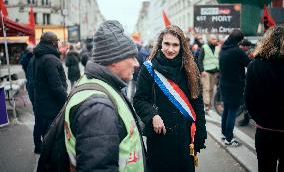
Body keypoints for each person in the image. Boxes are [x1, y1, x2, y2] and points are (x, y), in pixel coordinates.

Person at [64, 20, 146, 171]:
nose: (136, 63)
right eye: (131, 57)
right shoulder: (98, 109)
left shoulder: (100, 86)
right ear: (114, 59)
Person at [133, 25, 207, 172]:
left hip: (184, 137)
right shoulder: (148, 69)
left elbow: (197, 103)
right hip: (160, 138)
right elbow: (139, 99)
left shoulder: (191, 68)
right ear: (160, 44)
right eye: (167, 44)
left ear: (182, 46)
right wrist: (152, 115)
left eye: (175, 45)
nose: (170, 49)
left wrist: (200, 133)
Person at [244, 26, 284, 172]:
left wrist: (260, 120)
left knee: (266, 167)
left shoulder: (255, 65)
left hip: (265, 131)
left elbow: (249, 100)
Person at [31, 31, 68, 154]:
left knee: (39, 125)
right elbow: (56, 86)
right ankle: (48, 156)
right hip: (50, 104)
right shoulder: (50, 59)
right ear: (53, 43)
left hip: (41, 100)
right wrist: (66, 100)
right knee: (50, 133)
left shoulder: (38, 56)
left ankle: (39, 147)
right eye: (57, 41)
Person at [219, 29, 250, 146]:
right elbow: (249, 63)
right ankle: (229, 139)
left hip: (224, 84)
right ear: (238, 40)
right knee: (232, 111)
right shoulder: (237, 51)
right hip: (235, 85)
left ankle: (223, 134)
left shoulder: (223, 49)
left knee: (226, 110)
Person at [198, 34, 220, 113]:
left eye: (215, 39)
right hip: (206, 72)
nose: (214, 41)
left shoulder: (218, 48)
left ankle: (209, 104)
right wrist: (202, 70)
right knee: (206, 89)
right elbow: (200, 59)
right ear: (210, 40)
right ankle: (206, 105)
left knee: (211, 89)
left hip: (215, 72)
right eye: (213, 39)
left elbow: (219, 59)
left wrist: (219, 71)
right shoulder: (204, 47)